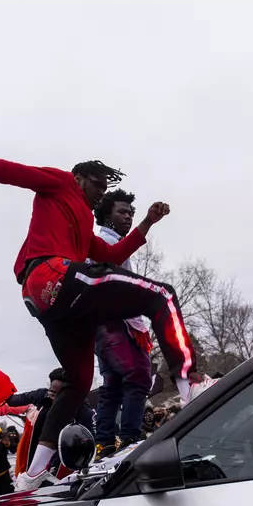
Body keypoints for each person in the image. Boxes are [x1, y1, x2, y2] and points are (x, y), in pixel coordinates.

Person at [0, 150, 205, 490]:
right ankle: (189, 384)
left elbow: (112, 255)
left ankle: (32, 474)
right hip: (51, 275)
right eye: (97, 185)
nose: (100, 192)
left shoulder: (84, 223)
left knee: (78, 382)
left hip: (49, 303)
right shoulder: (60, 183)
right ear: (78, 179)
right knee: (161, 296)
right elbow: (18, 172)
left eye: (104, 188)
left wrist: (146, 223)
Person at [91, 189, 156, 457]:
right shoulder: (104, 244)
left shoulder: (109, 242)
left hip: (103, 325)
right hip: (115, 323)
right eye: (122, 212)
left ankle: (104, 443)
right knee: (139, 375)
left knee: (113, 385)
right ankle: (129, 440)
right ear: (107, 215)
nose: (128, 217)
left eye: (131, 213)